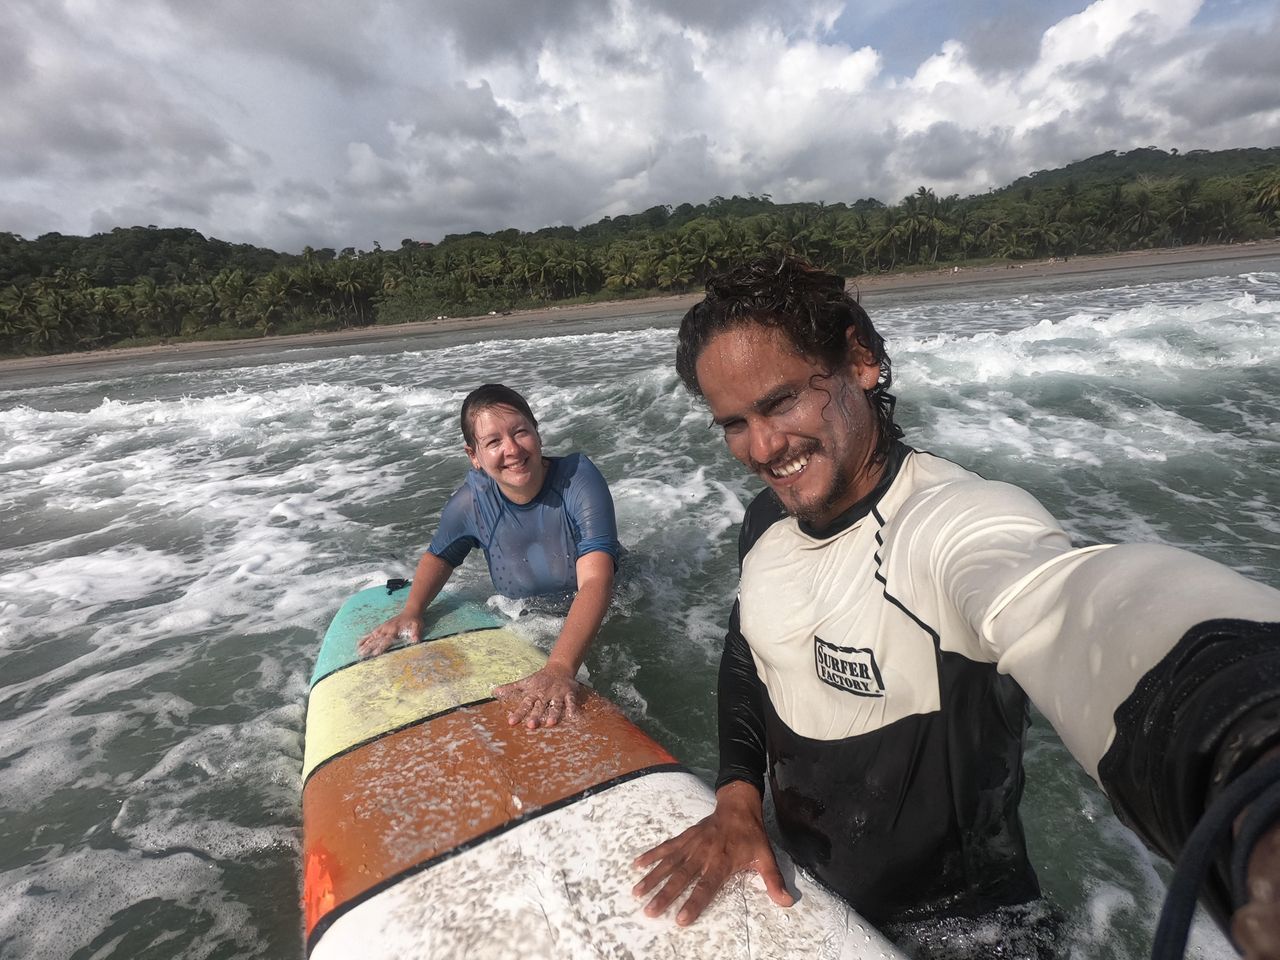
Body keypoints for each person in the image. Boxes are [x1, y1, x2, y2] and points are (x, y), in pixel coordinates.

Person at [631, 256, 1280, 954]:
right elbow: (748, 655)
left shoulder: (945, 521)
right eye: (734, 423)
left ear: (859, 360)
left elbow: (1077, 607)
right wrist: (736, 793)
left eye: (782, 401)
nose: (762, 447)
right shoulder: (767, 521)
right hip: (813, 900)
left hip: (970, 936)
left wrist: (1253, 765)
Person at [358, 383, 620, 730]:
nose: (511, 449)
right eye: (493, 442)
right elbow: (440, 555)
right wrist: (412, 610)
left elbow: (596, 581)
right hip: (531, 615)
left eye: (520, 432)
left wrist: (559, 668)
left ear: (537, 433)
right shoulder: (470, 504)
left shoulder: (578, 480)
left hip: (615, 602)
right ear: (474, 456)